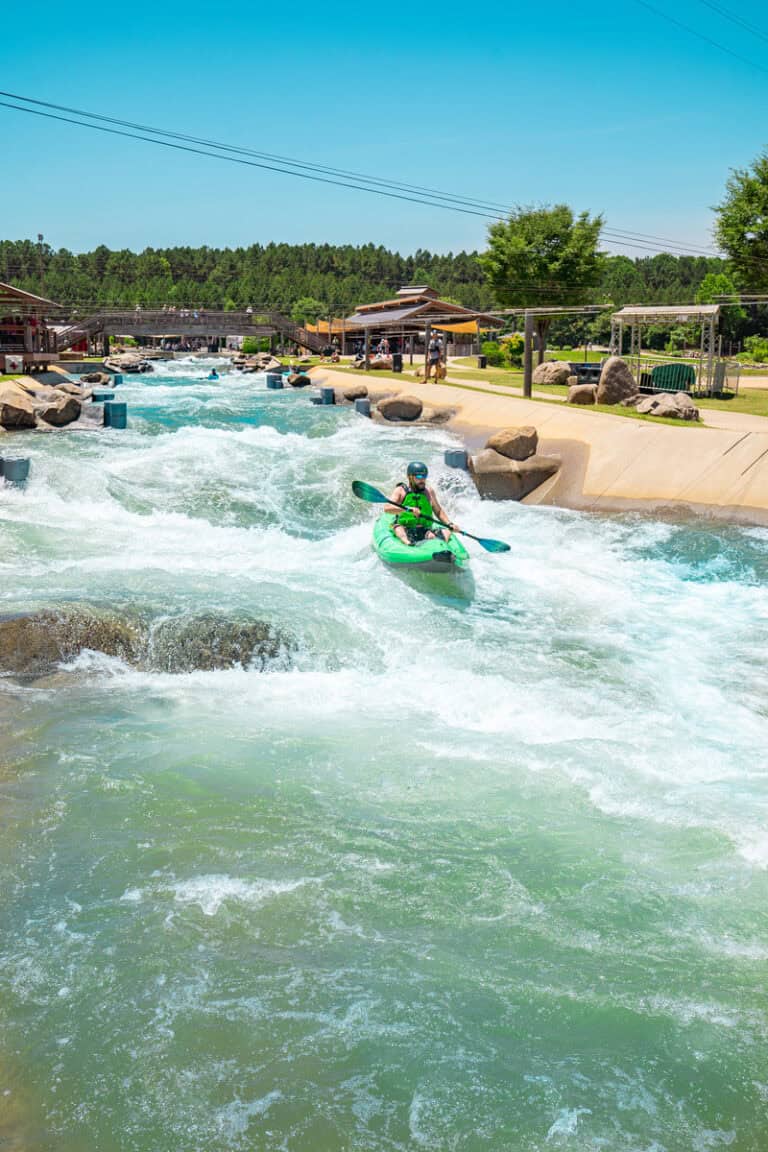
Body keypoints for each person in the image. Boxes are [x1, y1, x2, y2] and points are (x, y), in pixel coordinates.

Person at [385, 461, 458, 547]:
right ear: (410, 477)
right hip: (405, 528)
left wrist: (450, 524)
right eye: (419, 476)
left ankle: (440, 547)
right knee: (398, 529)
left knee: (447, 531)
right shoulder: (400, 490)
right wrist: (408, 509)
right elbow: (387, 508)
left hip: (424, 529)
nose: (422, 480)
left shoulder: (429, 491)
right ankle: (408, 544)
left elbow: (438, 511)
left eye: (425, 476)